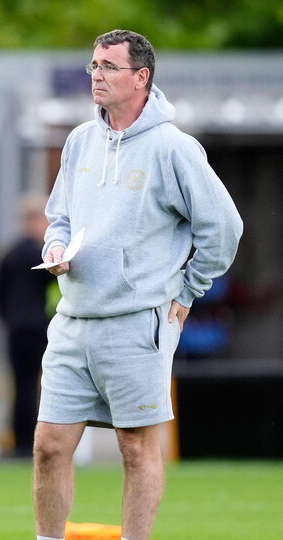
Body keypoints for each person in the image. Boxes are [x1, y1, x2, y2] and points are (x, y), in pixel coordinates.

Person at [33, 30, 243, 540]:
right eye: (93, 66)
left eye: (108, 66)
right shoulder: (81, 139)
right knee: (49, 443)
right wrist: (53, 250)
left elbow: (224, 227)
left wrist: (188, 289)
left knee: (135, 446)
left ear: (140, 77)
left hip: (137, 323)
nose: (96, 76)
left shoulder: (174, 147)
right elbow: (58, 218)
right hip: (72, 319)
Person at [0, 192, 56, 459]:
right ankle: (29, 442)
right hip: (36, 328)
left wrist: (7, 320)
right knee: (34, 387)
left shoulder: (10, 252)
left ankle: (19, 441)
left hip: (15, 329)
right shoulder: (42, 255)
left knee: (21, 386)